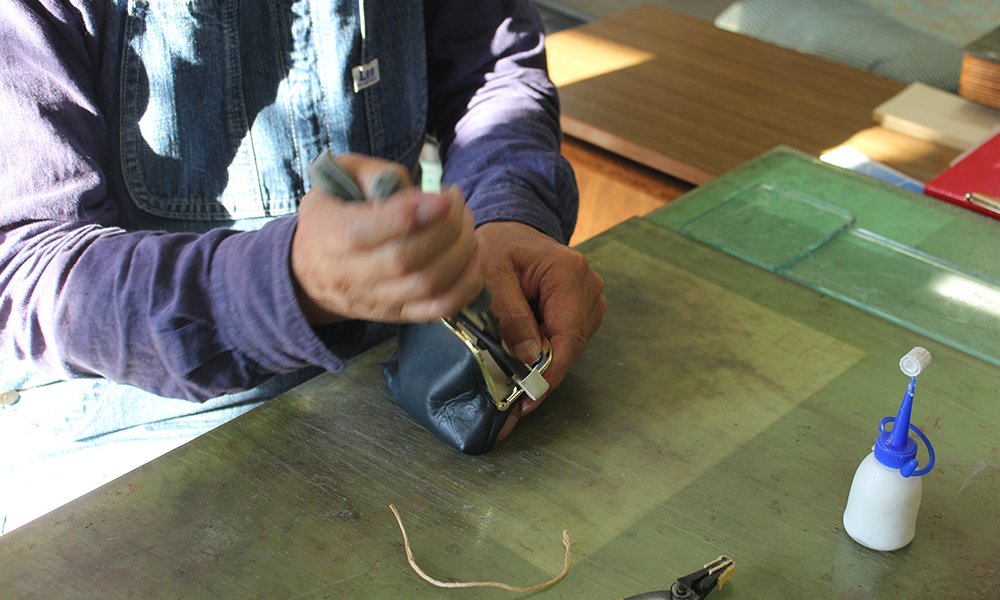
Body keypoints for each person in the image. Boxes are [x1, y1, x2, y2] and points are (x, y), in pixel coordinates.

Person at [0, 0, 606, 534]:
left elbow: (491, 73)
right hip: (130, 430)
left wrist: (508, 212)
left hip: (387, 371)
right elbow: (29, 265)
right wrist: (287, 284)